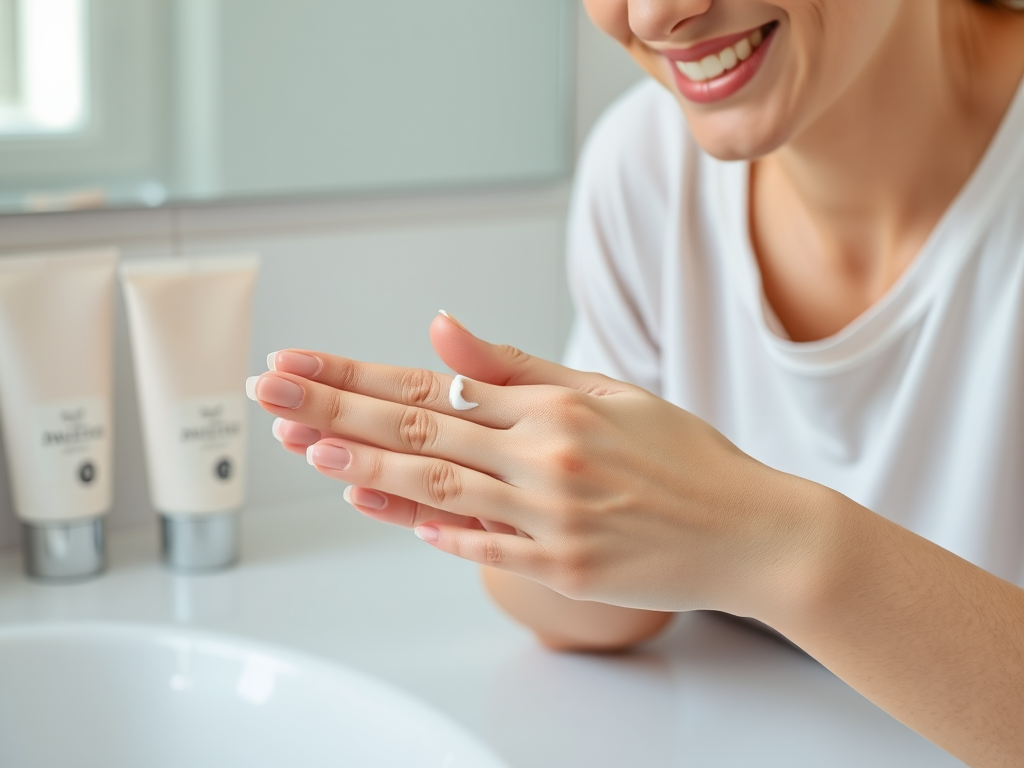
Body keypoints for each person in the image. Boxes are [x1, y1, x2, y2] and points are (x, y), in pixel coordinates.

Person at [248, 1, 1024, 764]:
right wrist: (533, 503)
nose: (653, 15)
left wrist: (767, 543)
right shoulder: (646, 166)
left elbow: (727, 549)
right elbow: (611, 620)